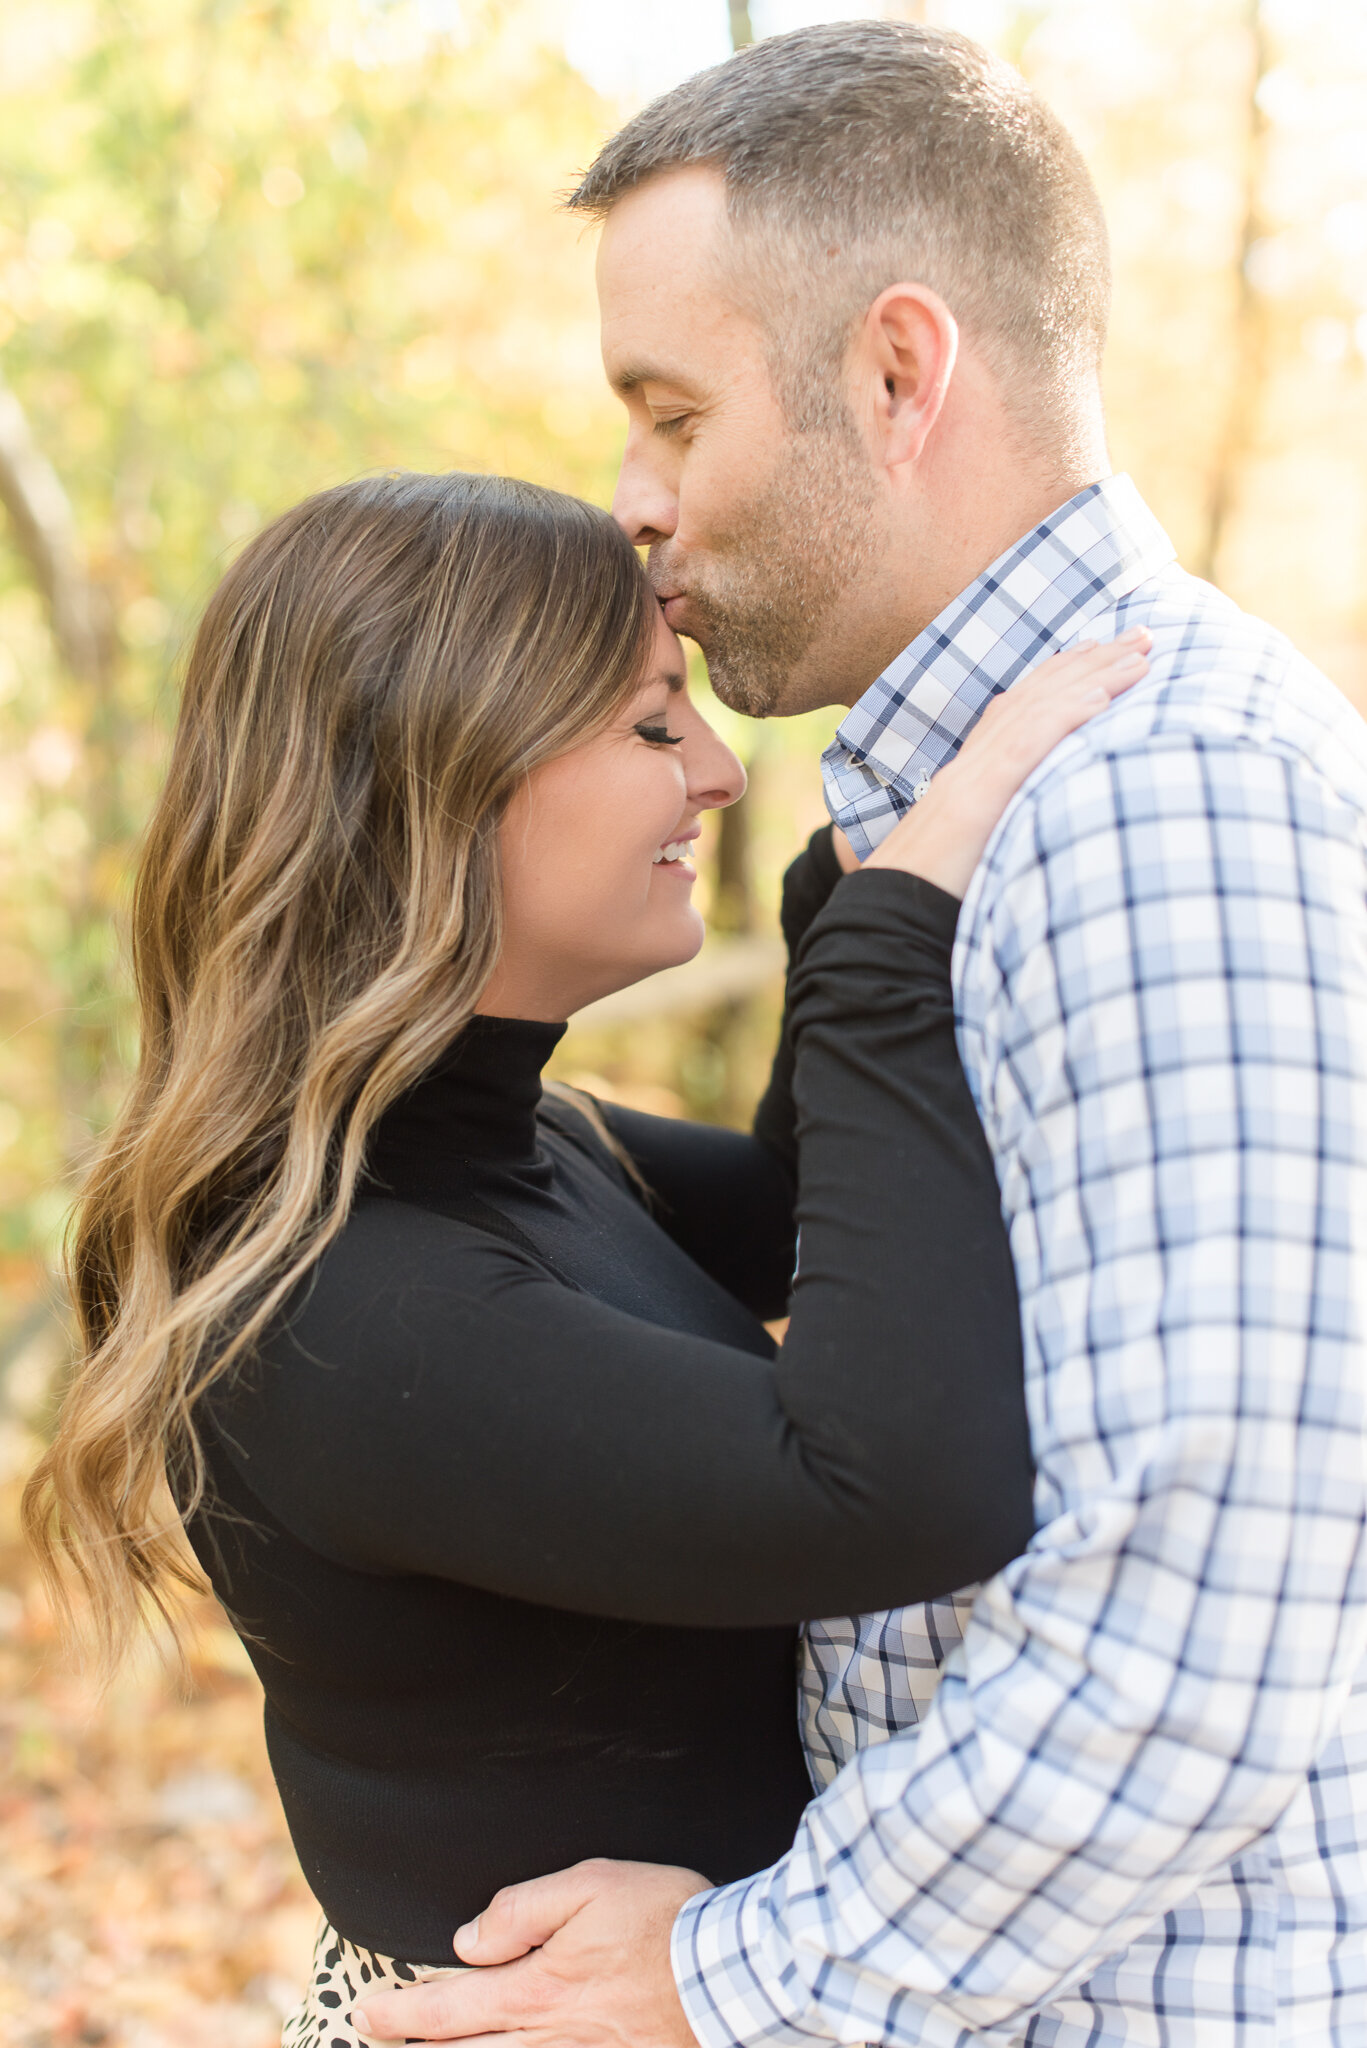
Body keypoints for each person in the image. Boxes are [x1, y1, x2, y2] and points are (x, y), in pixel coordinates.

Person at [357, 22, 1367, 2048]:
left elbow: (1203, 1626)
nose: (633, 501)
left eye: (671, 414)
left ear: (900, 373)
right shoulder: (981, 812)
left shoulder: (1156, 804)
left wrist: (737, 1974)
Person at [22, 468, 1145, 2046]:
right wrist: (894, 935)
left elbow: (787, 1202)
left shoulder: (501, 1142)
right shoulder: (334, 1301)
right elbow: (891, 1487)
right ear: (436, 781)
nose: (715, 774)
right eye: (646, 723)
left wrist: (868, 844)